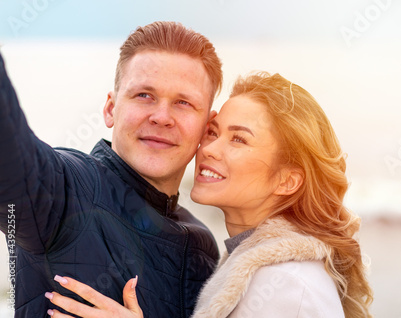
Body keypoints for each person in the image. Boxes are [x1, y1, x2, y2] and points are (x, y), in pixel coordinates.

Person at [45, 72, 374, 317]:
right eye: (213, 132)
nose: (209, 149)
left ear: (287, 181)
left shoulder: (286, 285)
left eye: (238, 139)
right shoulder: (249, 268)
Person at [0, 21, 223, 317]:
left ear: (207, 128)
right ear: (110, 109)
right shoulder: (67, 190)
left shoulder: (204, 248)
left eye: (183, 102)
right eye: (144, 95)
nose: (161, 117)